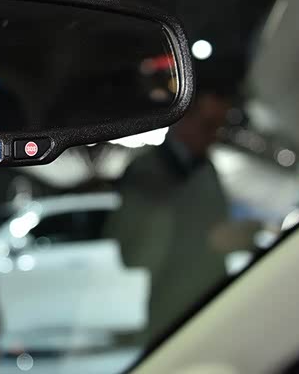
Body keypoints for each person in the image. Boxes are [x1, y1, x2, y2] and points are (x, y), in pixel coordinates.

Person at [108, 84, 259, 345]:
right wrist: (208, 242)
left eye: (219, 126)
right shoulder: (146, 171)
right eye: (209, 125)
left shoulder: (205, 168)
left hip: (211, 300)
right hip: (172, 311)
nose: (214, 135)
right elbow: (132, 252)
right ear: (184, 118)